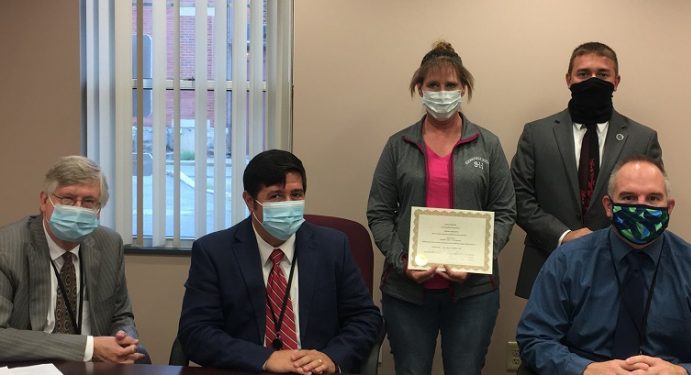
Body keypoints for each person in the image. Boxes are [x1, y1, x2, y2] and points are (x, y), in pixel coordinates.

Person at [516, 154, 691, 375]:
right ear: (609, 206)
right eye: (628, 198)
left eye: (653, 198)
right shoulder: (568, 261)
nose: (641, 207)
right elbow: (534, 338)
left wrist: (682, 372)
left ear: (669, 208)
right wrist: (584, 369)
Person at [367, 41, 516, 375]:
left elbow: (505, 211)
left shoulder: (487, 144)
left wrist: (480, 261)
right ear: (420, 89)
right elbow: (378, 212)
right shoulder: (398, 145)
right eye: (433, 85)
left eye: (450, 85)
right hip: (407, 292)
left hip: (473, 292)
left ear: (463, 88)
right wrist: (402, 262)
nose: (442, 92)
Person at [178, 149, 382, 374]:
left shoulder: (332, 246)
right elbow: (195, 332)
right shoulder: (214, 252)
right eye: (276, 196)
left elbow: (365, 318)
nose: (288, 204)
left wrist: (332, 357)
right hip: (248, 369)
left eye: (296, 195)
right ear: (249, 201)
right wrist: (266, 359)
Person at [512, 42, 663, 299]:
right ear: (568, 79)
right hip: (548, 261)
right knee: (543, 338)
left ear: (616, 81)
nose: (593, 80)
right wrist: (564, 235)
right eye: (583, 74)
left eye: (602, 74)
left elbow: (651, 203)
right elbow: (518, 197)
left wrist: (607, 241)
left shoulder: (643, 138)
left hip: (620, 265)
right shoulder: (536, 134)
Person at [0, 155, 147, 364]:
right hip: (30, 366)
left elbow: (121, 315)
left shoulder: (109, 244)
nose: (78, 209)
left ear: (98, 209)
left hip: (95, 366)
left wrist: (123, 338)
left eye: (88, 201)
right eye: (68, 198)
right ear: (44, 201)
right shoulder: (6, 247)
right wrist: (89, 347)